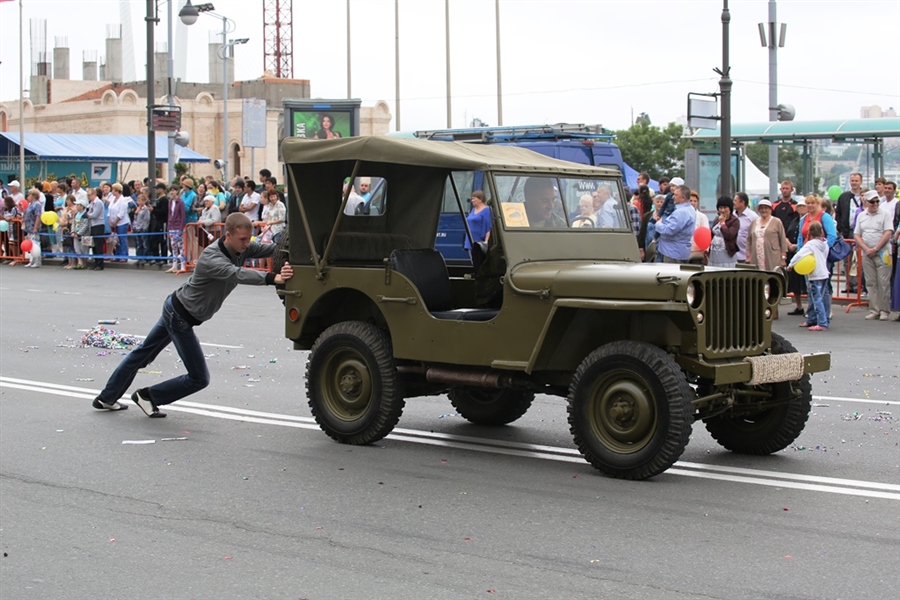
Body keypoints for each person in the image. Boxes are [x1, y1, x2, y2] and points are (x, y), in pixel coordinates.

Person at [90, 213, 295, 416]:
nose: (246, 244)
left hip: (176, 309)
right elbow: (236, 274)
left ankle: (106, 398)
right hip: (180, 317)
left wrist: (287, 242)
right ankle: (148, 396)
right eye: (241, 239)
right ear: (228, 235)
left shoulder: (241, 248)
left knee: (142, 355)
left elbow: (272, 250)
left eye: (248, 239)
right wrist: (273, 278)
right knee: (199, 378)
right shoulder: (211, 257)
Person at [854, 190, 894, 321]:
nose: (875, 204)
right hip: (867, 253)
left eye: (877, 201)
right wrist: (866, 248)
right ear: (866, 202)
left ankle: (884, 310)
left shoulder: (885, 214)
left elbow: (887, 233)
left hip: (883, 252)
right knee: (871, 282)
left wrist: (876, 248)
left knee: (883, 282)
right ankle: (874, 309)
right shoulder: (861, 216)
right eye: (872, 202)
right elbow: (857, 235)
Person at [788, 221, 829, 331]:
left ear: (809, 233)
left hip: (815, 274)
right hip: (824, 273)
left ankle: (822, 323)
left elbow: (800, 254)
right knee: (822, 298)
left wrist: (791, 264)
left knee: (816, 299)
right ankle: (820, 320)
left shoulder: (810, 244)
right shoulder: (825, 244)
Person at [653, 184, 695, 264]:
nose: (672, 197)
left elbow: (668, 230)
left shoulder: (681, 212)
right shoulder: (690, 209)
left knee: (670, 275)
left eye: (675, 195)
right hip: (679, 252)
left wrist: (658, 223)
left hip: (672, 254)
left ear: (683, 198)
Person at [785, 200, 808, 315]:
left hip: (805, 253)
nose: (801, 208)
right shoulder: (794, 220)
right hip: (792, 253)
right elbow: (786, 234)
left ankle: (811, 307)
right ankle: (799, 306)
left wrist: (798, 246)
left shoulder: (809, 221)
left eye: (803, 206)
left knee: (806, 280)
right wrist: (789, 244)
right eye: (799, 206)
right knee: (794, 280)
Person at [707, 196, 740, 268]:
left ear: (730, 208)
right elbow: (711, 235)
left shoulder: (735, 221)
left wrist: (722, 223)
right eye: (720, 208)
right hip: (714, 253)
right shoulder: (716, 219)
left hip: (726, 254)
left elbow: (729, 235)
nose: (722, 210)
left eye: (725, 207)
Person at [107, 183, 131, 262]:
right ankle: (117, 255)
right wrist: (110, 221)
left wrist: (115, 221)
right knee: (116, 239)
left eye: (113, 190)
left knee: (122, 239)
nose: (112, 192)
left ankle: (124, 256)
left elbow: (121, 213)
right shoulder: (112, 200)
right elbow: (109, 211)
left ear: (117, 191)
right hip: (113, 222)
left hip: (122, 223)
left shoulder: (123, 200)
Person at [733, 192, 758, 263]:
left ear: (742, 203)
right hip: (733, 256)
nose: (733, 202)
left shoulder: (753, 217)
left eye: (735, 200)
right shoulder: (732, 215)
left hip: (746, 256)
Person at [167, 184, 186, 273]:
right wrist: (168, 228)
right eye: (171, 190)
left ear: (177, 191)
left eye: (174, 190)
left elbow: (182, 216)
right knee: (173, 246)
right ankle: (174, 265)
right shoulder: (170, 202)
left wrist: (181, 229)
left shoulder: (180, 202)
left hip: (178, 226)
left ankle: (183, 265)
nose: (172, 192)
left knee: (181, 247)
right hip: (172, 226)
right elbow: (169, 215)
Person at [86, 187, 107, 270]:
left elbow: (94, 215)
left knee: (98, 245)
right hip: (92, 224)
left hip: (98, 224)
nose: (88, 197)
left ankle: (100, 264)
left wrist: (88, 215)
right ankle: (96, 262)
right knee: (94, 244)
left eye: (89, 195)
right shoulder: (91, 203)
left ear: (94, 194)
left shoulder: (98, 202)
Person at [23, 189, 43, 268]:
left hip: (33, 226)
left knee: (35, 244)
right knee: (30, 244)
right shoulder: (30, 204)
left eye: (29, 195)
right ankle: (31, 261)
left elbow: (38, 216)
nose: (28, 197)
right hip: (28, 227)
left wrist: (35, 227)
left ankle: (37, 261)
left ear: (33, 196)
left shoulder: (37, 204)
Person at [688, 189, 710, 264]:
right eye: (691, 200)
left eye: (695, 201)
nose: (693, 203)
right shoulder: (683, 215)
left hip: (697, 253)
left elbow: (706, 233)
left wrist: (706, 252)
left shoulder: (702, 217)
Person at [132, 191, 151, 266]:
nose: (138, 202)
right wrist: (136, 213)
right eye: (138, 200)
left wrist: (144, 228)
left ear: (144, 201)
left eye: (140, 200)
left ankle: (144, 258)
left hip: (143, 229)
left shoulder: (146, 209)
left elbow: (146, 219)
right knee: (138, 244)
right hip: (137, 228)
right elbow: (136, 219)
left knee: (144, 244)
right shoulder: (138, 209)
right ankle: (139, 257)